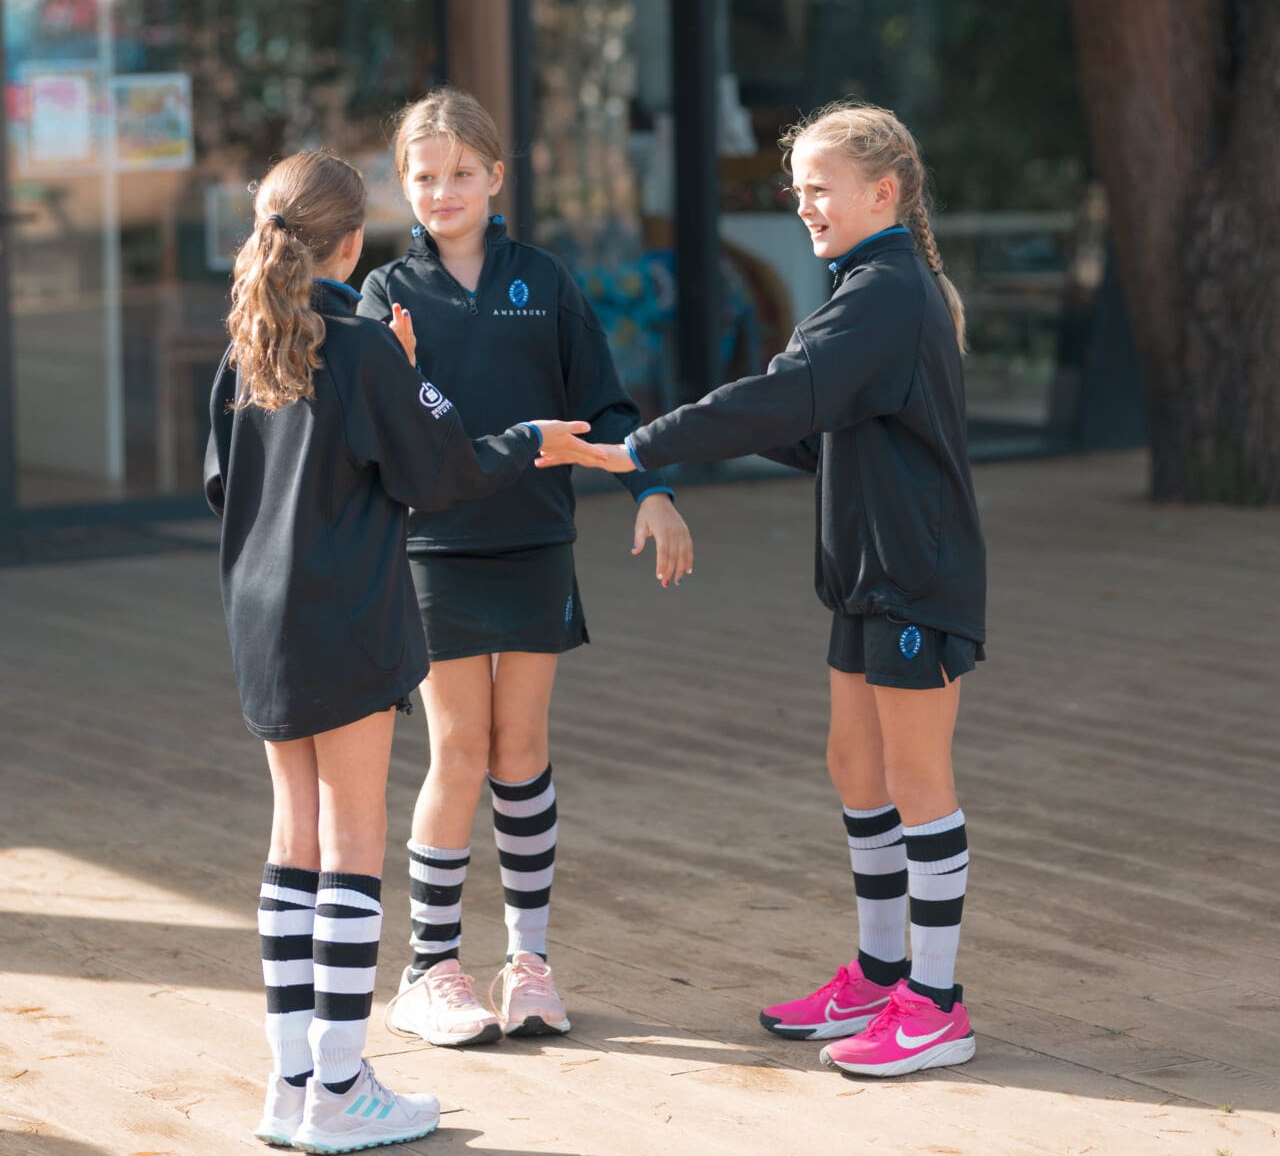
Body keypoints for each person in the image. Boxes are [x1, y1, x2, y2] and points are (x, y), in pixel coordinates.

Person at [551, 102, 985, 1080]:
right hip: (864, 576)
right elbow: (808, 426)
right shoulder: (860, 290)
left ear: (885, 191)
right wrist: (690, 450)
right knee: (853, 764)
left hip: (916, 574)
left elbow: (786, 398)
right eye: (797, 195)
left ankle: (936, 1002)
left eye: (820, 190)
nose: (806, 209)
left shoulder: (884, 291)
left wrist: (651, 444)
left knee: (916, 784)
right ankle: (880, 974)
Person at [203, 149, 589, 1152]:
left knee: (292, 843)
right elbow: (443, 470)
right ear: (350, 239)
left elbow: (221, 484)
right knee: (350, 850)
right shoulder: (368, 347)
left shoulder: (247, 339)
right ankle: (338, 1090)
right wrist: (530, 439)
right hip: (348, 615)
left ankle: (294, 1086)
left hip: (260, 618)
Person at [358, 88, 694, 1049]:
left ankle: (529, 964)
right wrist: (397, 374)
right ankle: (429, 968)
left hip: (538, 543)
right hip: (433, 550)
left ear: (497, 177)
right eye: (425, 176)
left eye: (463, 172)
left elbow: (608, 404)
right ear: (404, 185)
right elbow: (383, 428)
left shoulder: (544, 279)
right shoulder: (386, 294)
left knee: (522, 749)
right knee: (458, 750)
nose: (444, 189)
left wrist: (652, 493)